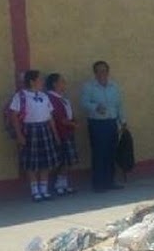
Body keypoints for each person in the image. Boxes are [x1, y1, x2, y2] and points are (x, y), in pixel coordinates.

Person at [10, 70, 61, 202]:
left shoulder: (44, 96)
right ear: (32, 81)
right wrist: (19, 135)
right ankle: (35, 191)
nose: (42, 82)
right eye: (40, 79)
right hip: (30, 130)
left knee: (46, 162)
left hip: (45, 129)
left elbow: (50, 117)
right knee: (31, 162)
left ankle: (44, 189)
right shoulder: (21, 96)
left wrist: (55, 134)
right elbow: (14, 116)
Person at [81, 60, 127, 192]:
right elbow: (83, 102)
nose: (102, 73)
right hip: (97, 124)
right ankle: (98, 184)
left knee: (111, 153)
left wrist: (123, 120)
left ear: (108, 72)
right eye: (99, 71)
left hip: (111, 123)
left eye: (105, 70)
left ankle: (110, 181)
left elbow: (119, 105)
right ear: (95, 73)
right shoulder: (89, 87)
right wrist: (95, 107)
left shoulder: (114, 86)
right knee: (99, 154)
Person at [46, 73, 79, 196]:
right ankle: (57, 185)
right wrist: (72, 124)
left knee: (68, 161)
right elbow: (59, 118)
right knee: (62, 160)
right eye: (62, 81)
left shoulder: (63, 99)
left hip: (68, 132)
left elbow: (70, 115)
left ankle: (63, 184)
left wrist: (74, 122)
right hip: (60, 133)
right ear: (54, 84)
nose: (64, 84)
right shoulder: (51, 98)